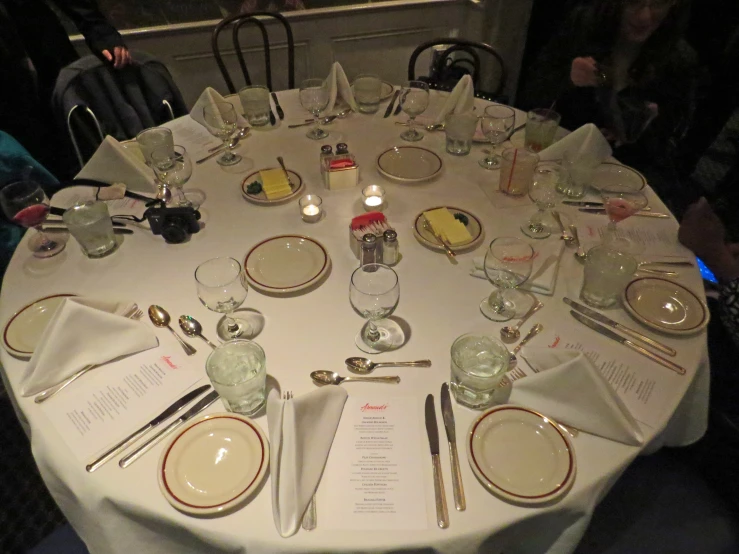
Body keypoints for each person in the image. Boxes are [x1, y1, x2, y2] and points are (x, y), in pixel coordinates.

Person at [519, 0, 697, 211]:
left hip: (623, 182)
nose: (644, 17)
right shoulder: (583, 26)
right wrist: (567, 77)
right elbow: (530, 96)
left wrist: (648, 130)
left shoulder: (678, 59)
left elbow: (670, 146)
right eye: (635, 2)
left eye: (657, 4)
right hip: (559, 162)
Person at [0, 0, 130, 179]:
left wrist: (100, 31)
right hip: (7, 83)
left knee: (85, 134)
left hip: (42, 44)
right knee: (28, 161)